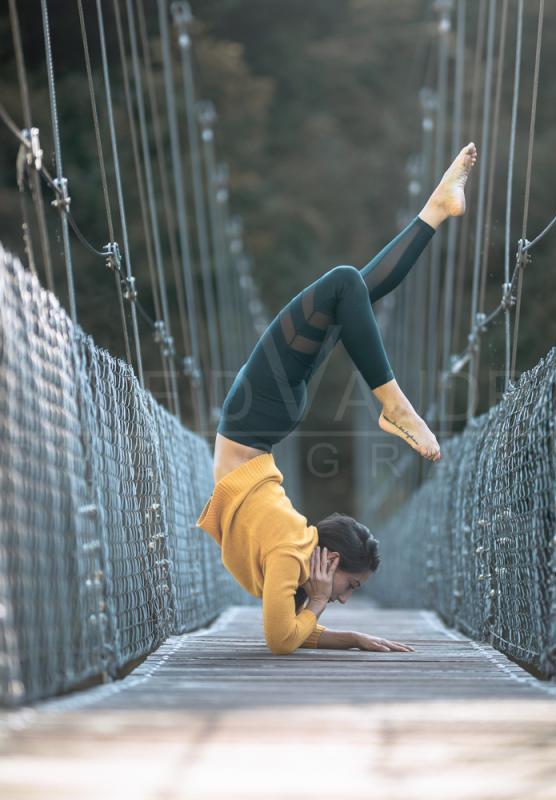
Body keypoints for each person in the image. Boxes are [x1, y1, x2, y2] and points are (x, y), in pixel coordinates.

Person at [196, 143, 478, 655]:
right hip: (256, 422)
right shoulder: (292, 551)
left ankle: (393, 404)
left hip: (256, 418)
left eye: (349, 588)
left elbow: (281, 638)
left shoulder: (290, 549)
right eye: (351, 589)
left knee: (348, 287)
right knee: (351, 292)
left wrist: (327, 609)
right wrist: (338, 623)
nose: (346, 598)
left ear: (331, 559)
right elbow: (286, 634)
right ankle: (434, 212)